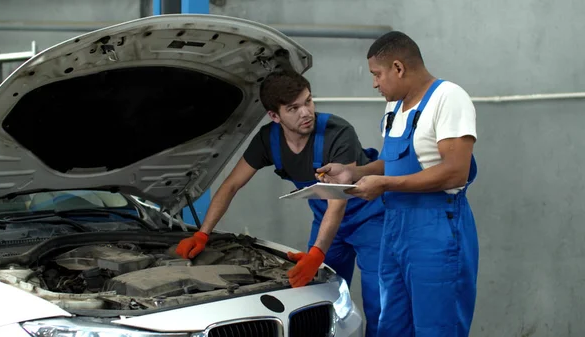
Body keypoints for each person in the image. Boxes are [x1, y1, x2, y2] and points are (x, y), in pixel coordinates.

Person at [175, 70, 385, 337]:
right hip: (327, 219)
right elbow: (231, 184)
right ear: (275, 116)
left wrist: (317, 253)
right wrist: (203, 233)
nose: (306, 112)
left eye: (308, 101)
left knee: (379, 300)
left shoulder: (337, 132)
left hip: (369, 217)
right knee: (319, 293)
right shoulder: (268, 140)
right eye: (293, 108)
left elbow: (337, 200)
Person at [316, 31, 479, 337]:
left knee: (437, 326)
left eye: (377, 74)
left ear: (398, 67)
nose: (375, 83)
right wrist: (355, 173)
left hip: (436, 231)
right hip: (394, 229)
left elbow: (456, 172)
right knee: (392, 325)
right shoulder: (394, 107)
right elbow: (394, 162)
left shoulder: (448, 98)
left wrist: (386, 184)